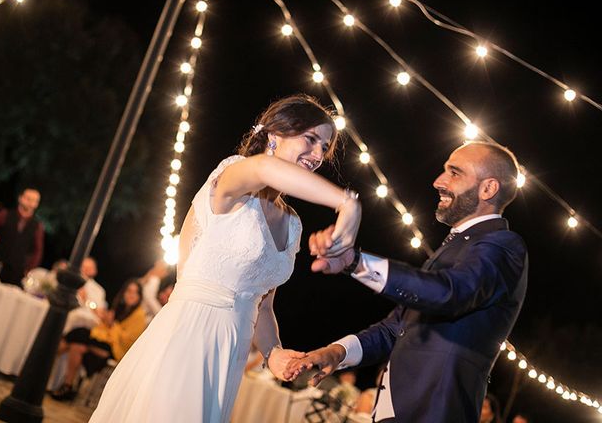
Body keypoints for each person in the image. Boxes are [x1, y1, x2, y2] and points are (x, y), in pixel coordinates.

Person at [89, 94, 362, 423]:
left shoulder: (292, 224)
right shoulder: (233, 176)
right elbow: (264, 167)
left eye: (324, 147)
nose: (318, 155)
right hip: (188, 335)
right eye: (310, 139)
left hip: (229, 354)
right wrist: (347, 203)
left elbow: (262, 305)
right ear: (275, 134)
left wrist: (273, 353)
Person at [287, 141, 528, 423]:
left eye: (454, 173)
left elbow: (449, 293)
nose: (439, 181)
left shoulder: (504, 246)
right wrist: (337, 353)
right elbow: (396, 328)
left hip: (432, 412)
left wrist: (355, 262)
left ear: (488, 189)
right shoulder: (456, 247)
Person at [51, 279, 147, 401]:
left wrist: (112, 324)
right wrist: (105, 321)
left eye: (135, 292)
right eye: (129, 291)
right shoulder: (119, 308)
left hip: (117, 350)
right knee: (77, 345)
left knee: (79, 333)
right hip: (105, 343)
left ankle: (45, 361)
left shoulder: (139, 315)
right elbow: (103, 330)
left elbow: (128, 340)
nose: (131, 295)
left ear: (140, 296)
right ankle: (67, 386)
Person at [0, 187, 44, 286]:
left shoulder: (37, 226)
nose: (30, 203)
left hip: (17, 271)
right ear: (20, 198)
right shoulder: (5, 214)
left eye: (34, 200)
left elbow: (37, 250)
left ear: (37, 204)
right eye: (28, 198)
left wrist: (29, 268)